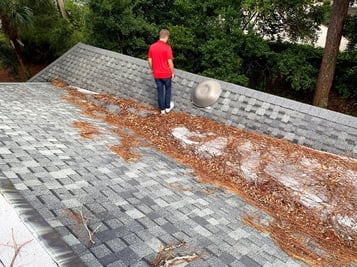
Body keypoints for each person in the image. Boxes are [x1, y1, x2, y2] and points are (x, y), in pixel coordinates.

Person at [148, 29, 175, 115]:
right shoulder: (167, 47)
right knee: (168, 89)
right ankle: (167, 107)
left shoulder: (152, 46)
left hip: (157, 74)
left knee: (160, 91)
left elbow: (149, 60)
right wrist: (173, 72)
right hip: (166, 74)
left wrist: (153, 69)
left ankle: (162, 110)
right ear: (167, 37)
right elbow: (170, 62)